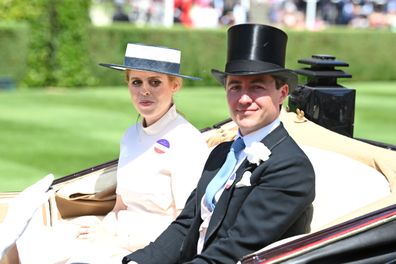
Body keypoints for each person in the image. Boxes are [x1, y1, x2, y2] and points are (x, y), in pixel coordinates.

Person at [122, 23, 315, 264]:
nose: (244, 99)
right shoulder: (222, 152)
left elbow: (237, 249)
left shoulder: (291, 168)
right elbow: (186, 224)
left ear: (282, 93)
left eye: (257, 87)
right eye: (235, 87)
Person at [16, 43, 209, 263]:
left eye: (155, 82)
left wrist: (114, 239)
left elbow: (185, 225)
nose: (144, 90)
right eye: (136, 82)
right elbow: (121, 206)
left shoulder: (187, 140)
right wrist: (97, 229)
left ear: (175, 85)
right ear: (128, 84)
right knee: (32, 243)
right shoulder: (129, 136)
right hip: (115, 238)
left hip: (148, 251)